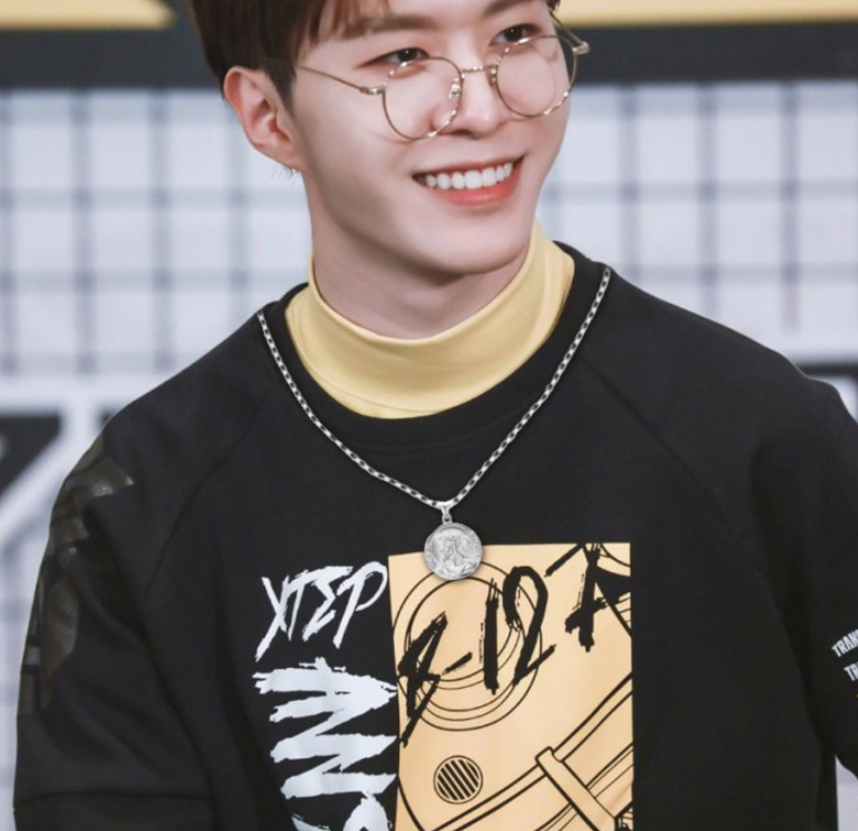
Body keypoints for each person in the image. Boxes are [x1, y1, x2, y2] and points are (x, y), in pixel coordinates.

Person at [13, 0, 858, 828]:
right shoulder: (141, 500)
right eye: (402, 58)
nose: (483, 107)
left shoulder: (758, 433)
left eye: (516, 34)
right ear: (270, 115)